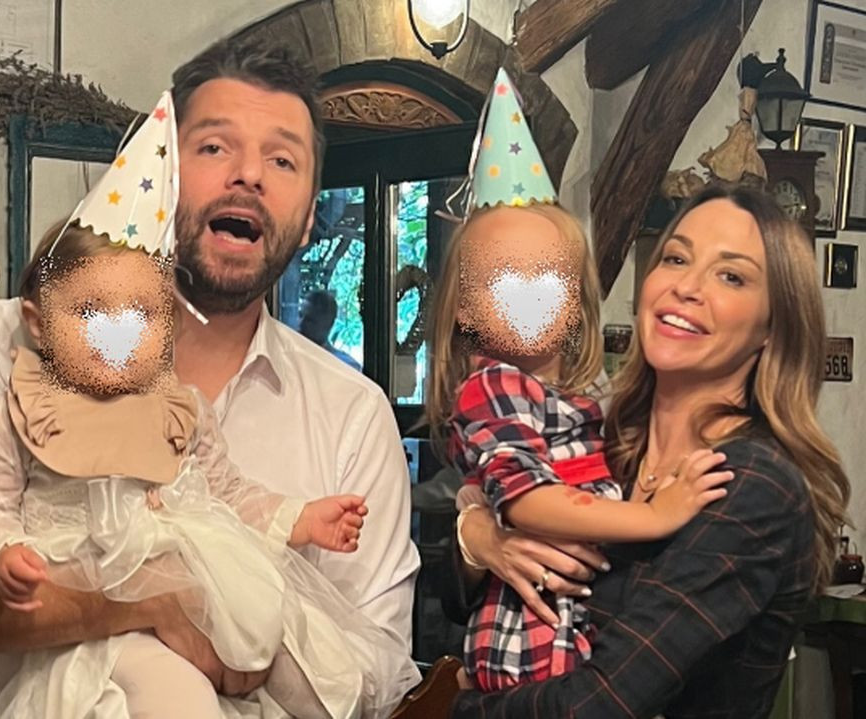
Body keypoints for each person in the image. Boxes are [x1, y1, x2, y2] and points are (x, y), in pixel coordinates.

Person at [0, 38, 421, 716]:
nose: (248, 175)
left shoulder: (353, 414)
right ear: (163, 174)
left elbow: (376, 672)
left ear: (311, 215)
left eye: (282, 160)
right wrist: (152, 604)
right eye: (214, 147)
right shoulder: (5, 346)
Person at [0, 216, 402, 718]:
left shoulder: (179, 410)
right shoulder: (14, 415)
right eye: (91, 312)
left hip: (211, 580)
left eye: (141, 314)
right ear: (38, 323)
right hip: (103, 609)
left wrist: (300, 517)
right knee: (178, 697)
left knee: (309, 661)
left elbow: (229, 492)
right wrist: (0, 550)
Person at [448, 184, 850, 718]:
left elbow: (601, 706)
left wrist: (464, 706)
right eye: (676, 258)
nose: (688, 286)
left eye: (731, 276)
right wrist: (479, 538)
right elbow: (459, 599)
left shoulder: (752, 484)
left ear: (771, 329)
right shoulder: (606, 446)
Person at [425, 69, 731, 692]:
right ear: (464, 307)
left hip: (581, 640)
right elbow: (526, 500)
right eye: (501, 277)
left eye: (547, 276)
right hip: (534, 643)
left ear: (576, 300)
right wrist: (656, 515)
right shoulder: (495, 387)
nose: (527, 293)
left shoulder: (585, 404)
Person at [298, 289, 362, 371]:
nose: (301, 324)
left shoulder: (347, 368)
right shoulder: (287, 358)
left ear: (329, 323)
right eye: (300, 315)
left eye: (310, 320)